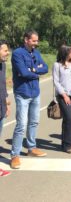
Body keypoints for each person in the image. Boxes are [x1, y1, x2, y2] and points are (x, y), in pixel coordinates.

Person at [10, 30, 48, 169]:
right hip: (22, 93)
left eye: (37, 41)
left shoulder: (36, 53)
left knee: (34, 121)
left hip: (35, 92)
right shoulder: (17, 54)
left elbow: (45, 68)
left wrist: (32, 70)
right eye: (34, 41)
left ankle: (31, 148)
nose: (36, 43)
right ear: (26, 40)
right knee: (21, 125)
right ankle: (15, 155)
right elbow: (23, 72)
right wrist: (34, 71)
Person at [53, 45, 71, 153]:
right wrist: (64, 95)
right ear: (65, 52)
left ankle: (67, 142)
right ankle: (67, 145)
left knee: (67, 120)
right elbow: (56, 81)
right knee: (69, 119)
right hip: (63, 96)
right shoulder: (57, 65)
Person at [0, 40, 11, 177]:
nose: (7, 53)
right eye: (5, 50)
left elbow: (3, 86)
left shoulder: (2, 65)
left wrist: (6, 103)